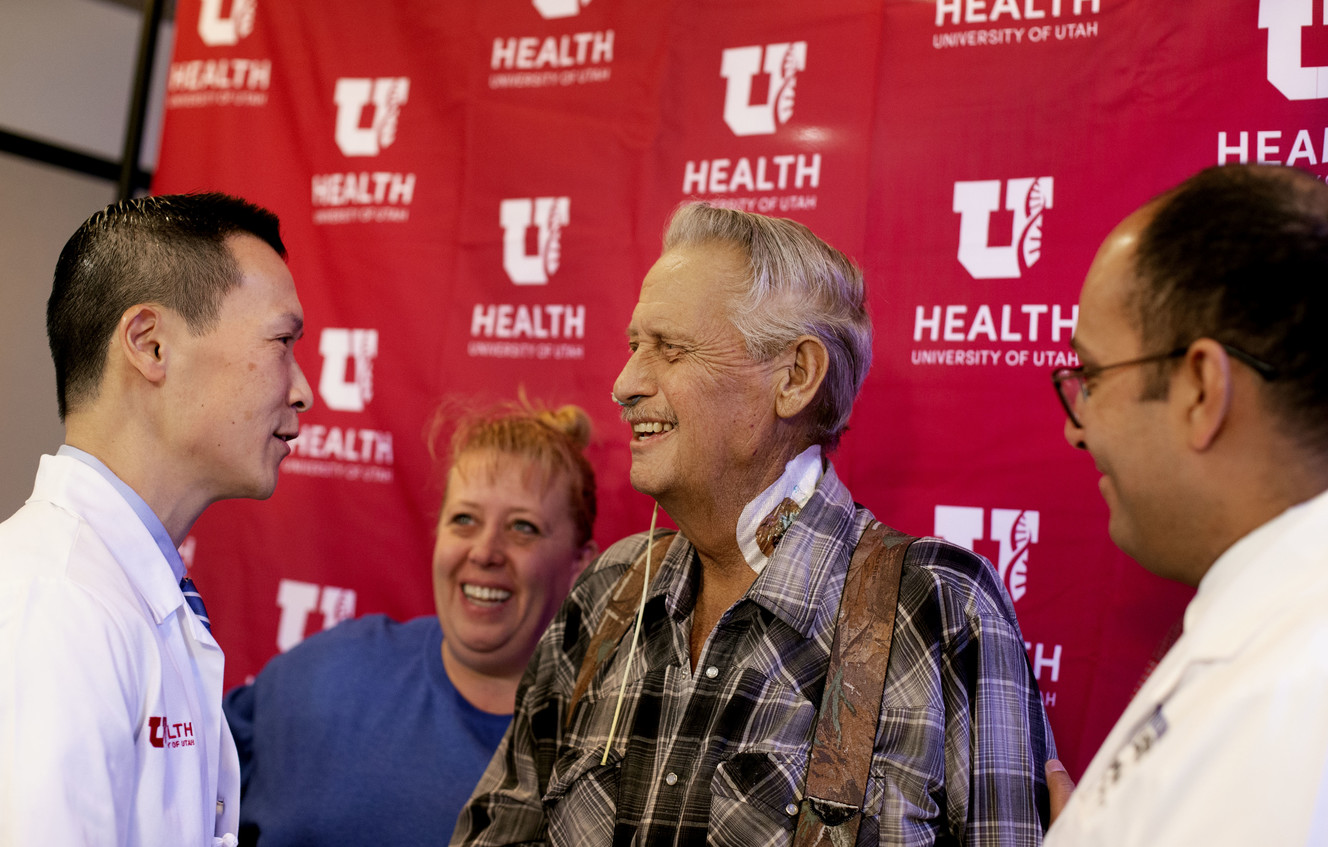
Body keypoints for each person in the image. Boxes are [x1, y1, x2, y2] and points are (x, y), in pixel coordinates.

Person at [453, 203, 1055, 847]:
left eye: (670, 349)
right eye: (635, 346)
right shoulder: (608, 591)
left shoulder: (941, 608)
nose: (624, 383)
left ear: (795, 376)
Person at [0, 193, 313, 846]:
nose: (304, 389)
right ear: (151, 344)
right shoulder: (53, 602)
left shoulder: (120, 592)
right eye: (282, 341)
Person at [1041, 163, 1328, 845]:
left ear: (1201, 388)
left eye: (1092, 376)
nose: (1075, 426)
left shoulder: (1285, 697)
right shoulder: (1271, 638)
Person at [224, 400, 599, 846]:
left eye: (523, 528)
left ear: (580, 565)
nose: (484, 551)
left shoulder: (603, 747)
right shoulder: (323, 676)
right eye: (464, 520)